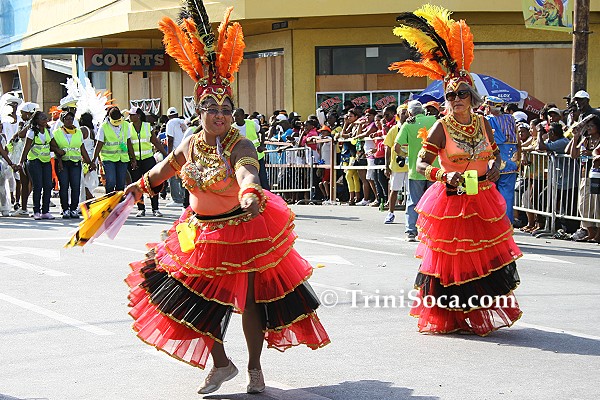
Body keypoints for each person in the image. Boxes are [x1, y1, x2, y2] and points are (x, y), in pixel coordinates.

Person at [125, 5, 329, 395]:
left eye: (226, 109)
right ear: (198, 110)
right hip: (198, 232)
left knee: (249, 303)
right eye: (211, 108)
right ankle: (221, 363)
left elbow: (247, 171)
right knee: (191, 300)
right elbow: (163, 169)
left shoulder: (240, 143)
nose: (220, 115)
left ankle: (254, 368)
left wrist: (250, 191)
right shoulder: (190, 143)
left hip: (240, 230)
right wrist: (138, 187)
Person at [391, 5, 522, 335]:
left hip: (482, 196)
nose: (456, 98)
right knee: (453, 260)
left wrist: (495, 168)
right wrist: (443, 175)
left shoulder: (484, 123)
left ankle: (477, 313)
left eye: (462, 93)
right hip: (450, 199)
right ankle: (451, 316)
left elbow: (495, 155)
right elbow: (420, 163)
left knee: (481, 258)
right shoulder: (441, 127)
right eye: (451, 94)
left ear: (472, 96)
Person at [395, 100, 438, 241]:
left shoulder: (408, 124)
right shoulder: (435, 120)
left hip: (416, 169)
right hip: (434, 168)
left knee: (413, 201)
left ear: (410, 112)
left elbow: (396, 147)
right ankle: (432, 231)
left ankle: (411, 231)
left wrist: (405, 154)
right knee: (433, 202)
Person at [18, 111, 64, 220]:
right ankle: (36, 211)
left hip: (46, 161)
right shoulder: (32, 132)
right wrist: (21, 162)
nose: (45, 120)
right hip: (34, 161)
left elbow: (53, 145)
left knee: (48, 185)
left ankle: (45, 211)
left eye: (45, 118)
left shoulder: (48, 131)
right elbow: (26, 148)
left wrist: (58, 152)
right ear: (37, 120)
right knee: (37, 186)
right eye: (42, 118)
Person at [484, 96, 521, 223]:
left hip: (493, 160)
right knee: (507, 194)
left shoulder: (487, 120)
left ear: (489, 107)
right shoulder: (511, 118)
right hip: (511, 160)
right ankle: (507, 223)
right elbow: (518, 141)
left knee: (490, 193)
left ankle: (494, 223)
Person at [53, 111, 94, 219]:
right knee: (64, 186)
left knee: (76, 186)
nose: (69, 121)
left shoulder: (78, 132)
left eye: (71, 118)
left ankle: (73, 209)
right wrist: (59, 157)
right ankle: (65, 209)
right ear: (63, 120)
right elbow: (53, 146)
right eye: (67, 119)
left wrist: (90, 162)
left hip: (75, 162)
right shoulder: (57, 132)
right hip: (62, 162)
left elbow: (82, 148)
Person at [128, 107, 167, 217]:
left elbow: (155, 142)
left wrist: (166, 154)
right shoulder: (128, 127)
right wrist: (132, 159)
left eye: (132, 115)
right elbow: (128, 144)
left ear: (138, 116)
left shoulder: (147, 126)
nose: (130, 117)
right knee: (137, 184)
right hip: (135, 160)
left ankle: (155, 208)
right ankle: (141, 208)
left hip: (148, 159)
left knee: (152, 183)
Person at [92, 106, 137, 193]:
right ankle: (110, 199)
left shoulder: (125, 125)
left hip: (122, 158)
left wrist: (133, 158)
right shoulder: (104, 127)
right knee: (111, 182)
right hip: (108, 158)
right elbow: (99, 144)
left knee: (121, 184)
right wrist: (94, 160)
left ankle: (119, 200)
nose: (117, 123)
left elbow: (129, 142)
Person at [383, 104, 409, 224]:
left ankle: (412, 215)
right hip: (397, 165)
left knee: (412, 192)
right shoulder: (394, 129)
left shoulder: (413, 127)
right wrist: (386, 166)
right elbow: (387, 147)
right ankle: (390, 213)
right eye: (402, 113)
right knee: (394, 189)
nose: (405, 115)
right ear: (397, 115)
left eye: (407, 112)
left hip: (411, 165)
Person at [232, 108, 270, 190]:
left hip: (257, 155)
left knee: (263, 179)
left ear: (243, 116)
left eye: (237, 116)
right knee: (248, 179)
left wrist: (262, 145)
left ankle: (267, 196)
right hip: (242, 159)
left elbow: (262, 132)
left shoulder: (251, 123)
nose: (235, 118)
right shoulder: (232, 128)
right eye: (234, 116)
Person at [165, 106, 187, 206]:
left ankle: (177, 199)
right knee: (184, 175)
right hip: (185, 151)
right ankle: (184, 197)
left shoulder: (170, 123)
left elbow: (170, 139)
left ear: (168, 116)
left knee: (172, 175)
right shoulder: (183, 122)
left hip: (175, 152)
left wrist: (169, 154)